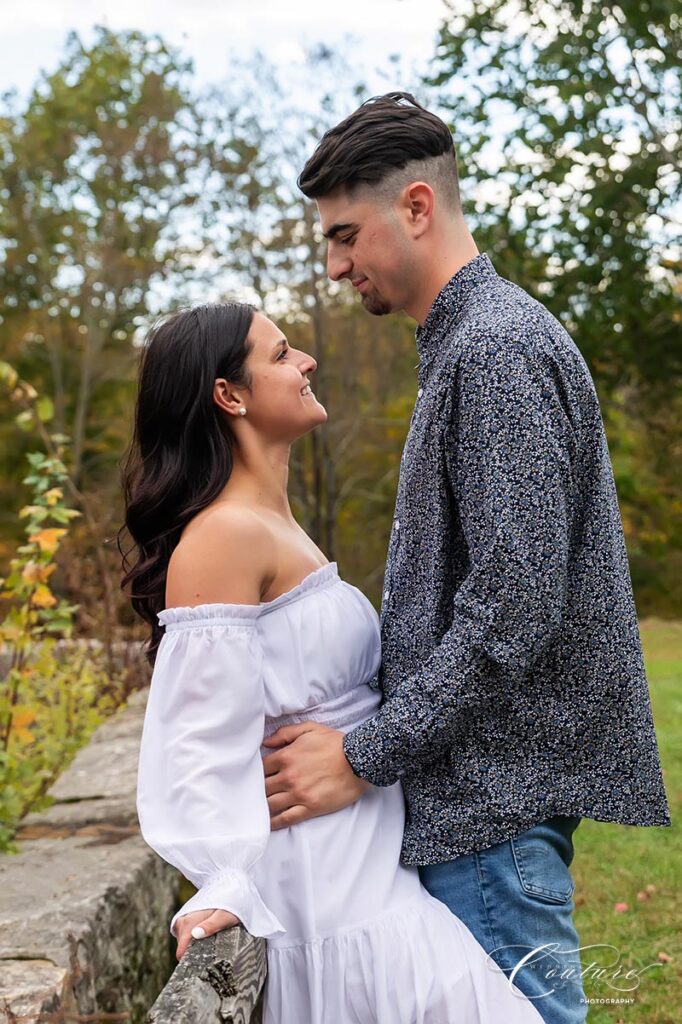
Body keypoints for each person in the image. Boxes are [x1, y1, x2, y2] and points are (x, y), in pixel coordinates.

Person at [258, 93, 671, 1024]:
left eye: (344, 235)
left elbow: (512, 607)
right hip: (487, 805)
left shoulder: (492, 351)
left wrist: (362, 757)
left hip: (492, 810)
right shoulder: (469, 344)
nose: (333, 266)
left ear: (415, 207)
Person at [123, 303, 545, 1023]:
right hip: (325, 888)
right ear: (230, 395)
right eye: (282, 353)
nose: (307, 361)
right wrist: (223, 878)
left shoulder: (277, 525)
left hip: (373, 867)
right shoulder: (222, 536)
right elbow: (197, 737)